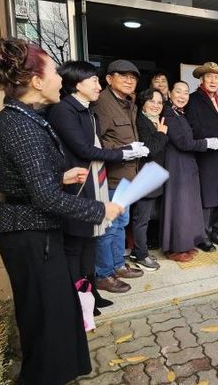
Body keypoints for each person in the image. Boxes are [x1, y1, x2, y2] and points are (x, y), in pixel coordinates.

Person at [0, 38, 124, 385]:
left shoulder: (24, 118)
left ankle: (59, 373)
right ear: (36, 81)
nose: (61, 79)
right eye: (54, 72)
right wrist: (100, 209)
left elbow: (28, 179)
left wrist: (59, 176)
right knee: (45, 317)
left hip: (35, 231)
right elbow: (46, 198)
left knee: (56, 312)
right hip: (29, 233)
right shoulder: (19, 125)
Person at [47, 60, 141, 314]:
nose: (98, 86)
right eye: (94, 81)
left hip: (94, 180)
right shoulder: (64, 110)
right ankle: (78, 301)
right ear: (77, 84)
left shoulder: (87, 110)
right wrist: (124, 153)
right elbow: (84, 149)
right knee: (77, 244)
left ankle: (91, 294)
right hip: (77, 185)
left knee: (90, 240)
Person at [93, 59, 147, 292]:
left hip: (128, 175)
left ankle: (117, 265)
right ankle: (103, 274)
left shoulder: (128, 103)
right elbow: (94, 141)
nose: (129, 80)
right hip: (111, 175)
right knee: (108, 226)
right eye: (123, 76)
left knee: (121, 223)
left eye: (133, 77)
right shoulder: (102, 103)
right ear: (109, 79)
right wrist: (124, 150)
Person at [160, 81, 218, 259]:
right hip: (176, 164)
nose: (182, 96)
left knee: (186, 206)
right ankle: (175, 248)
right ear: (170, 94)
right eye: (178, 92)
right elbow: (183, 143)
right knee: (178, 205)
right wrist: (206, 143)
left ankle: (185, 244)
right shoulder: (168, 114)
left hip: (186, 163)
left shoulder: (179, 113)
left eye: (186, 93)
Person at [185, 62, 218, 247]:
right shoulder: (193, 100)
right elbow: (192, 128)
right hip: (205, 156)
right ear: (202, 79)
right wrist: (211, 140)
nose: (213, 80)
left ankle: (215, 231)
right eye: (209, 77)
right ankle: (202, 236)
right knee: (207, 197)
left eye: (217, 77)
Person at [130, 88, 167, 270]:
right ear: (143, 103)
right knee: (141, 218)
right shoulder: (141, 121)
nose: (156, 105)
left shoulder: (155, 121)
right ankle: (140, 255)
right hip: (144, 177)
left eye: (159, 102)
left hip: (154, 176)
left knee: (147, 217)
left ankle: (140, 250)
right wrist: (161, 133)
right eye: (151, 101)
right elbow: (151, 149)